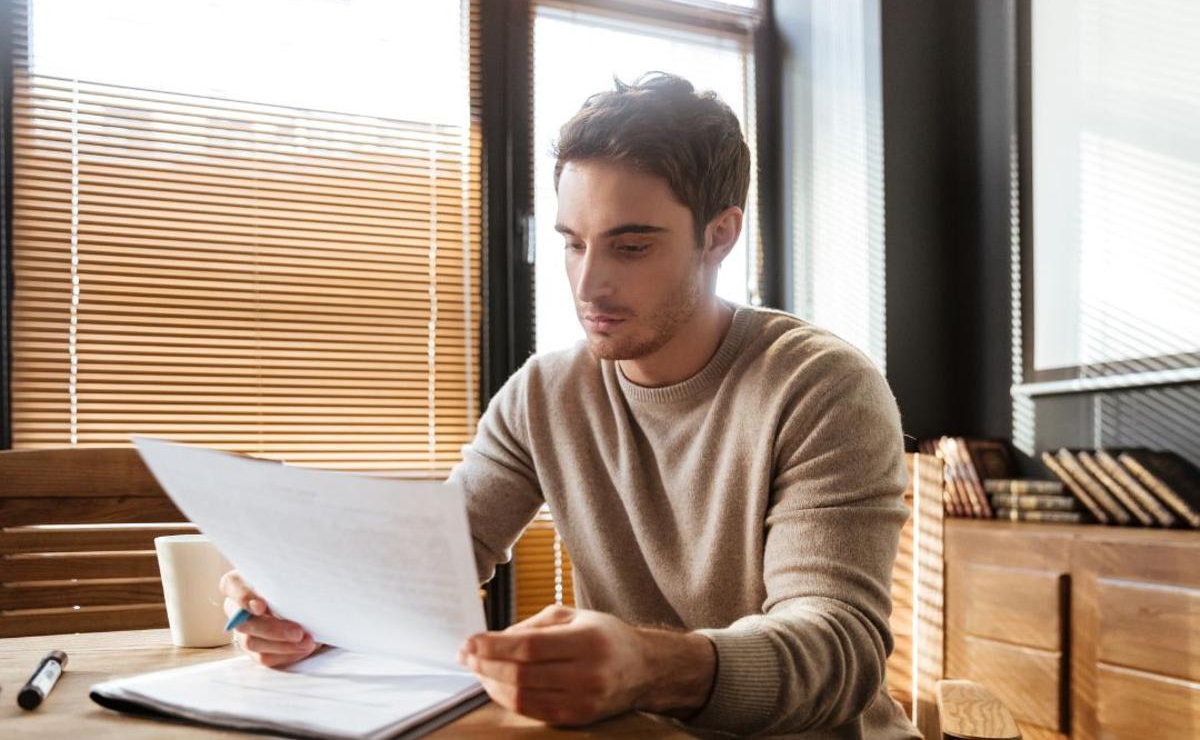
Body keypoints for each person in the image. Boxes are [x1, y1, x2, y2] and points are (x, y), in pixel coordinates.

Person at [221, 73, 919, 739]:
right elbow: (431, 561)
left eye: (631, 246)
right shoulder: (544, 393)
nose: (589, 285)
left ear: (719, 235)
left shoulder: (822, 387)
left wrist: (650, 665)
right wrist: (304, 603)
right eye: (573, 244)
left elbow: (838, 645)